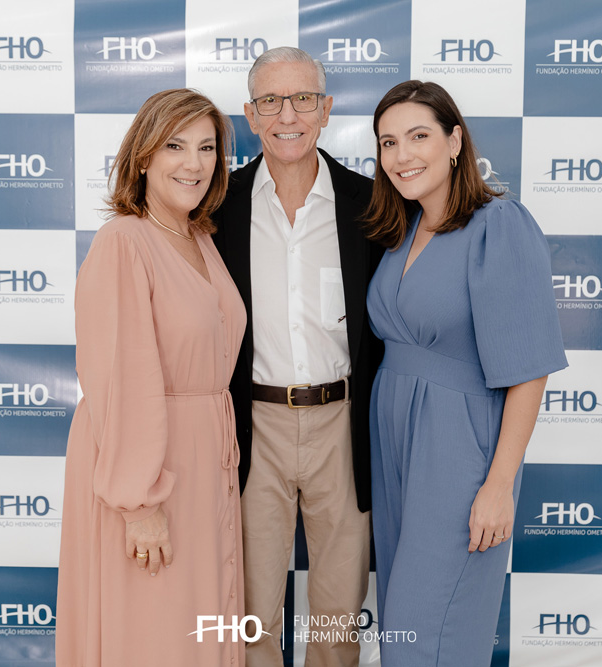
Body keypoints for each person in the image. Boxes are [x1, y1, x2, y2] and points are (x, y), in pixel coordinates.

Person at [363, 80, 568, 666]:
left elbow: (529, 370)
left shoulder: (498, 224)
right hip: (394, 448)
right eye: (388, 142)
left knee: (431, 634)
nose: (402, 155)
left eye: (418, 136)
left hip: (458, 450)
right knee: (401, 633)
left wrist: (499, 486)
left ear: (455, 142)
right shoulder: (402, 230)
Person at [56, 89, 247, 666]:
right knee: (152, 632)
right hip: (147, 468)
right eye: (175, 146)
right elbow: (121, 377)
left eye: (207, 148)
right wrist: (139, 505)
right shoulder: (124, 240)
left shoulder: (199, 237)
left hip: (204, 464)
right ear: (143, 157)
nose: (195, 163)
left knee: (196, 625)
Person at [211, 47, 383, 667]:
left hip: (344, 423)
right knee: (250, 611)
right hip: (253, 426)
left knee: (339, 612)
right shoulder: (217, 205)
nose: (288, 115)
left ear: (326, 109)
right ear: (251, 115)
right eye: (271, 101)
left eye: (303, 99)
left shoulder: (372, 203)